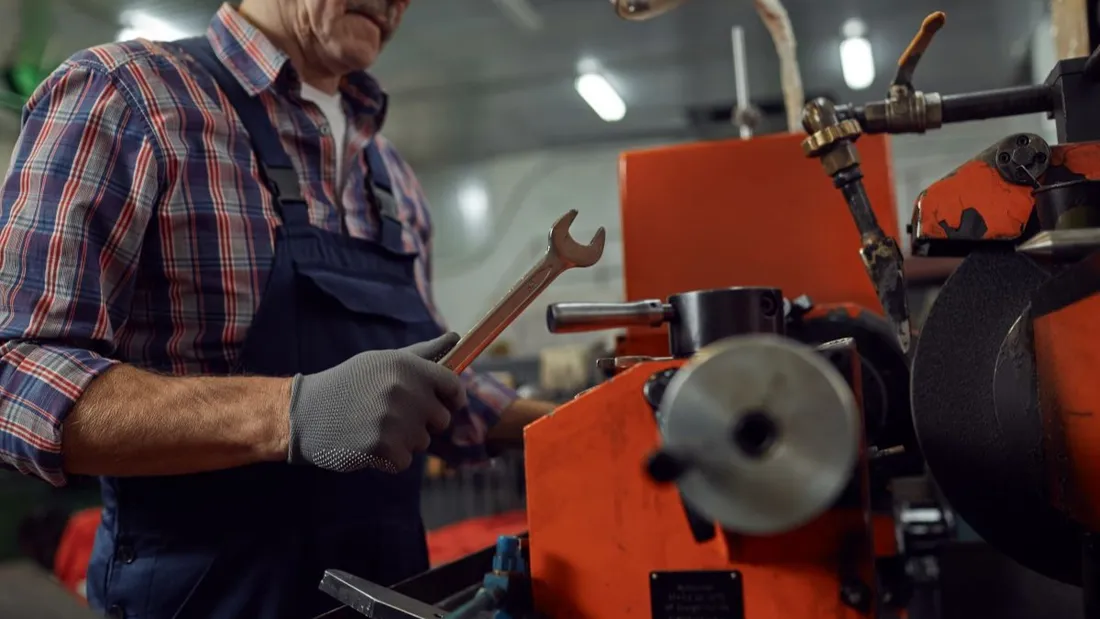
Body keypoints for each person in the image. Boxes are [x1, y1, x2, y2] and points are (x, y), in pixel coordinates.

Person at [0, 0, 555, 617]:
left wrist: (577, 418)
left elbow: (429, 388)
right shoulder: (127, 96)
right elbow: (16, 375)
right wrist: (291, 413)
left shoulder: (392, 175)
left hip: (396, 596)